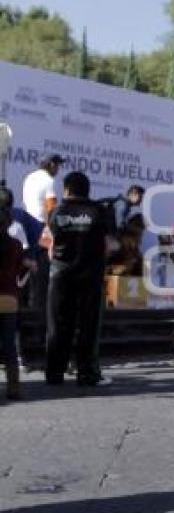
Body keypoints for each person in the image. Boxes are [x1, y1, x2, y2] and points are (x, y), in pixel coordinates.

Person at [44, 170, 111, 387]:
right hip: (90, 276)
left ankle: (54, 373)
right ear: (87, 190)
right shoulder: (99, 211)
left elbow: (48, 246)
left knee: (58, 325)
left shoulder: (55, 212)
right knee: (88, 325)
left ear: (66, 190)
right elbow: (109, 245)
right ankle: (86, 373)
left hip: (61, 276)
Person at [21, 153, 65, 359]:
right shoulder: (49, 180)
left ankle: (32, 322)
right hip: (42, 230)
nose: (59, 169)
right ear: (51, 165)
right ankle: (42, 330)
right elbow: (52, 211)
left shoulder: (29, 177)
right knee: (44, 282)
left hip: (29, 228)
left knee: (31, 278)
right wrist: (52, 236)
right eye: (58, 165)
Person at [0, 205, 33, 400]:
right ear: (9, 224)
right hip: (9, 299)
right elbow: (21, 271)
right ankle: (14, 388)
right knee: (9, 346)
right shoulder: (15, 245)